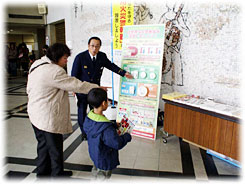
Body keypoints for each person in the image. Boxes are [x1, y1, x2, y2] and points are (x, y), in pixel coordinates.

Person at [27, 43, 102, 178]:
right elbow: (75, 84)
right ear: (57, 57)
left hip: (34, 112)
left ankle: (42, 173)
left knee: (43, 145)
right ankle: (57, 175)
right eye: (65, 58)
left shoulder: (37, 63)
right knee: (55, 148)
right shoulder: (54, 71)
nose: (66, 60)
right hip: (46, 116)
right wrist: (96, 87)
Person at [71, 36, 133, 140]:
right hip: (82, 90)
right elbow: (74, 75)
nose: (94, 49)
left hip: (95, 90)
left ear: (100, 47)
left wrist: (123, 73)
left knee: (95, 110)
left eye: (97, 46)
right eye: (92, 46)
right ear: (88, 46)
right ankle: (84, 132)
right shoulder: (80, 57)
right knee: (82, 111)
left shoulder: (101, 56)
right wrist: (74, 89)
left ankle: (94, 129)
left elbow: (111, 66)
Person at [83, 88, 132, 180]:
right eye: (107, 100)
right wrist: (127, 136)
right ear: (103, 103)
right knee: (103, 177)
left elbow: (98, 125)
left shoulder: (89, 117)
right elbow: (116, 143)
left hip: (95, 153)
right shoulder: (106, 129)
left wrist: (113, 124)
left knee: (96, 170)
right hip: (105, 158)